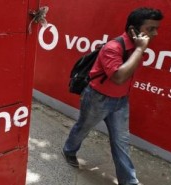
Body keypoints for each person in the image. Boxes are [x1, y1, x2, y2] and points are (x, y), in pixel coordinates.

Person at [62, 7, 163, 185]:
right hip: (97, 98)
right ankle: (69, 150)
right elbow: (118, 77)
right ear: (133, 29)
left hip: (120, 101)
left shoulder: (136, 46)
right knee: (83, 128)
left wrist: (138, 49)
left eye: (156, 28)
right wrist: (140, 50)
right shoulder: (113, 47)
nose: (155, 33)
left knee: (121, 141)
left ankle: (129, 181)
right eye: (150, 29)